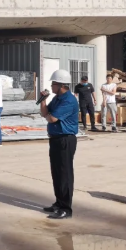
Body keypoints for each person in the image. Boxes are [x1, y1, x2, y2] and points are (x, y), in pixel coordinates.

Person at [39, 69, 79, 220]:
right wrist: (43, 100)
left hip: (65, 140)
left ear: (61, 85)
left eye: (53, 84)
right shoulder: (57, 98)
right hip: (55, 139)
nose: (51, 86)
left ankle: (66, 208)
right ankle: (58, 202)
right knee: (56, 173)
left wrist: (49, 115)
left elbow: (52, 119)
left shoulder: (68, 100)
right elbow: (45, 113)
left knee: (65, 174)